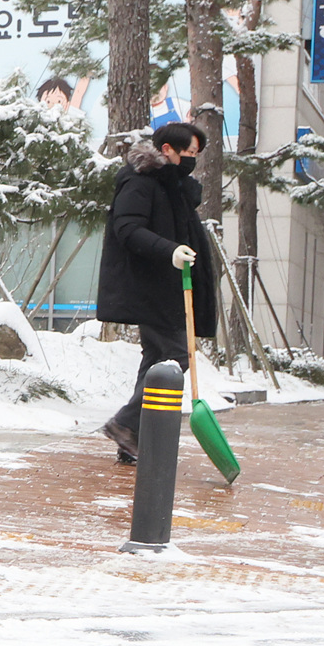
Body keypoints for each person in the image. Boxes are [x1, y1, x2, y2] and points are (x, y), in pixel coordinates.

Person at [94, 122, 216, 463]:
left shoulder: (175, 187)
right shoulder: (140, 181)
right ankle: (125, 423)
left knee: (155, 360)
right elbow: (128, 229)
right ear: (166, 150)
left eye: (196, 154)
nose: (192, 160)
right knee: (178, 355)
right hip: (148, 288)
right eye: (188, 153)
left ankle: (132, 439)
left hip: (170, 289)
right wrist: (170, 251)